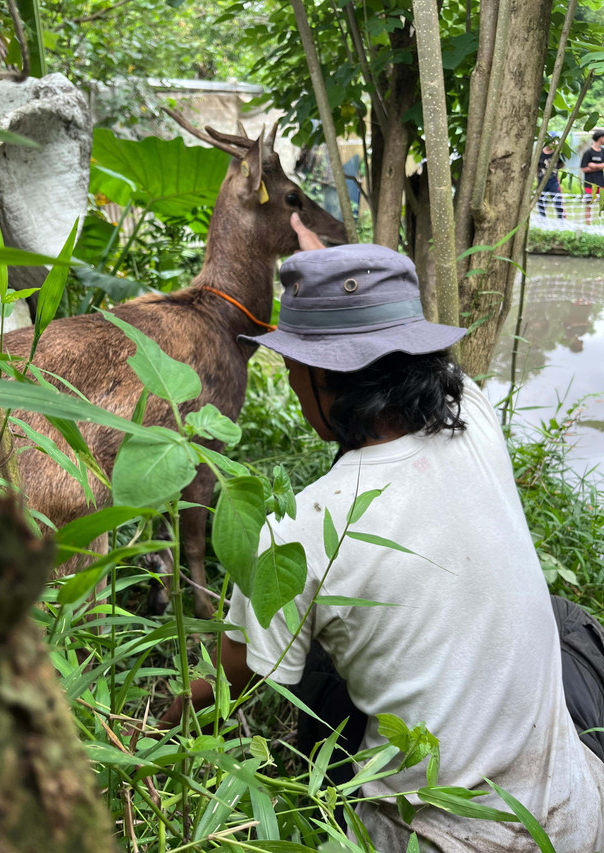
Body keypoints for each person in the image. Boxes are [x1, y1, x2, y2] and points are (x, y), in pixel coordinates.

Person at [160, 215, 604, 851]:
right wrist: (333, 276)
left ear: (325, 379)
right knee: (559, 618)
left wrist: (168, 720)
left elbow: (237, 675)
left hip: (440, 838)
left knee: (311, 663)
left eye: (294, 364)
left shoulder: (301, 526)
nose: (286, 377)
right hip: (574, 813)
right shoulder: (471, 415)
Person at [536, 133, 564, 219]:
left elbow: (562, 163)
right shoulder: (540, 153)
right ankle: (542, 218)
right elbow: (536, 166)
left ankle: (560, 219)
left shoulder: (558, 153)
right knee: (540, 200)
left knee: (557, 199)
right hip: (541, 179)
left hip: (553, 180)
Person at [580, 129, 604, 224]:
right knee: (589, 204)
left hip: (601, 182)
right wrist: (600, 166)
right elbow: (584, 168)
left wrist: (594, 165)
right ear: (600, 138)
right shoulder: (588, 152)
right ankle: (588, 225)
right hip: (589, 183)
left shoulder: (603, 152)